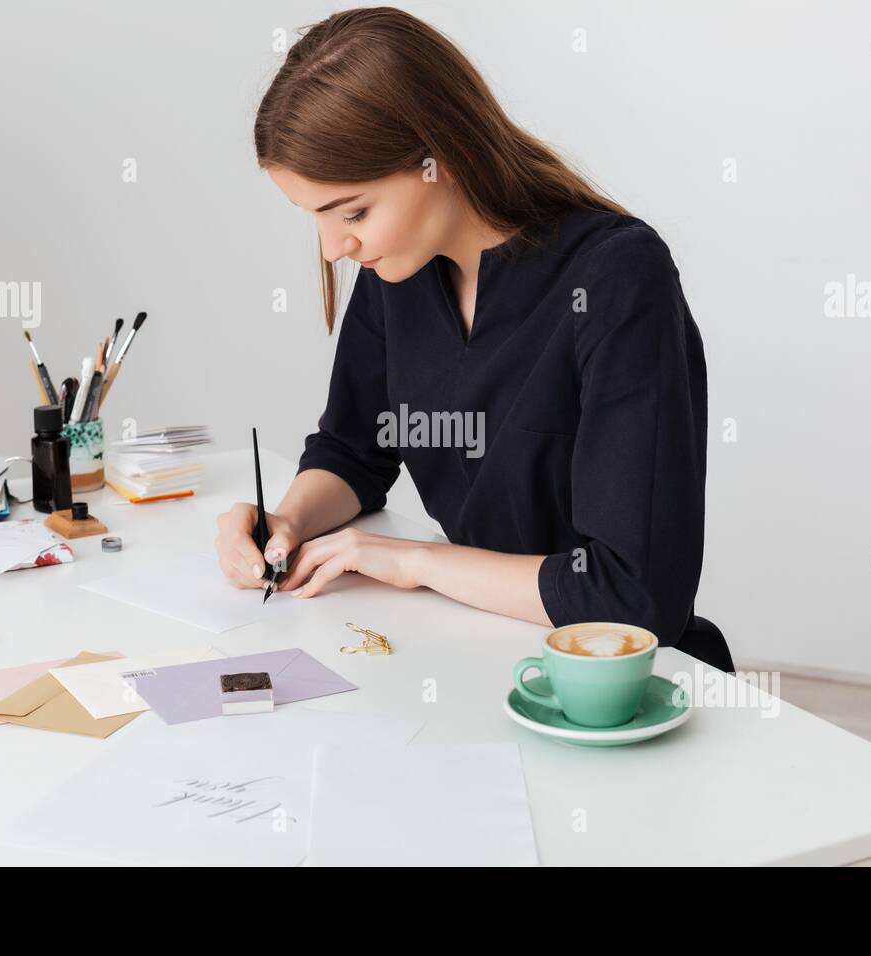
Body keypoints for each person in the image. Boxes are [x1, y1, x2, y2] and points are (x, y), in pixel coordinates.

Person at [215, 7, 732, 671]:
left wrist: (414, 561)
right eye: (313, 217)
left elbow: (632, 598)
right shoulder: (398, 265)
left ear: (444, 157)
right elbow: (354, 450)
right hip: (477, 651)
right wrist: (286, 525)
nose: (335, 247)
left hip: (617, 685)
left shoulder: (617, 278)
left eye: (353, 212)